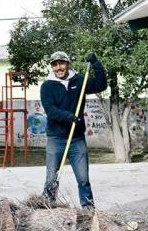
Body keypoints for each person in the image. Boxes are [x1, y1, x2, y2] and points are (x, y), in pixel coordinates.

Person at [41, 51, 108, 209]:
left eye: (62, 63)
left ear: (67, 64)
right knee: (51, 178)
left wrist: (96, 64)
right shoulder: (47, 86)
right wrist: (70, 117)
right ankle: (47, 209)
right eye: (55, 64)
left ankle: (88, 211)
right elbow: (51, 111)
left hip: (76, 139)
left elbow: (101, 85)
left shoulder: (79, 80)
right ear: (52, 67)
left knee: (83, 179)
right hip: (55, 139)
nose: (59, 67)